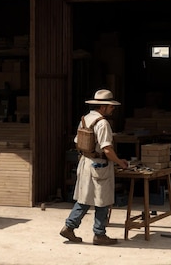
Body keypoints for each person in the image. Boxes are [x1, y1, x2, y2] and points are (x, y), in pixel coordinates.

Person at [60, 89, 129, 245]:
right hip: (99, 165)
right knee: (102, 200)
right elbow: (107, 149)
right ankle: (99, 234)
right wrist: (119, 162)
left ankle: (69, 227)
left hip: (86, 162)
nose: (113, 109)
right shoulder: (103, 123)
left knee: (85, 198)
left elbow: (78, 142)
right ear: (103, 107)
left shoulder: (86, 119)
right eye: (111, 106)